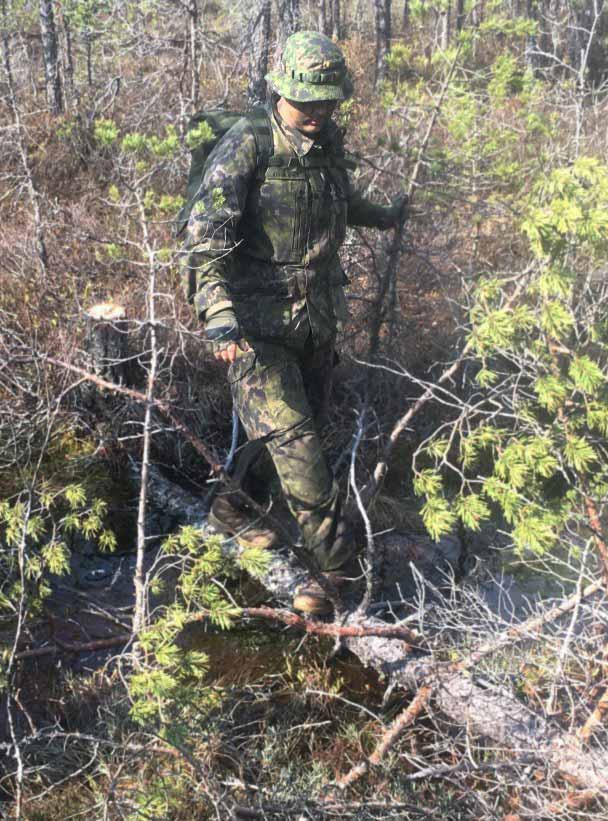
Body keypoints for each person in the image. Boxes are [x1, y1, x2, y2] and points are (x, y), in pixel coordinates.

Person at [181, 31, 408, 618]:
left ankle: (231, 514)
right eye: (308, 102)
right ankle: (339, 579)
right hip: (256, 331)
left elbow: (336, 201)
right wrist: (220, 315)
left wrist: (382, 216)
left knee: (280, 434)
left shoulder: (327, 142)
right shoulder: (247, 147)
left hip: (316, 323)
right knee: (299, 447)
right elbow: (204, 241)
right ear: (281, 90)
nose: (318, 113)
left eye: (328, 101)